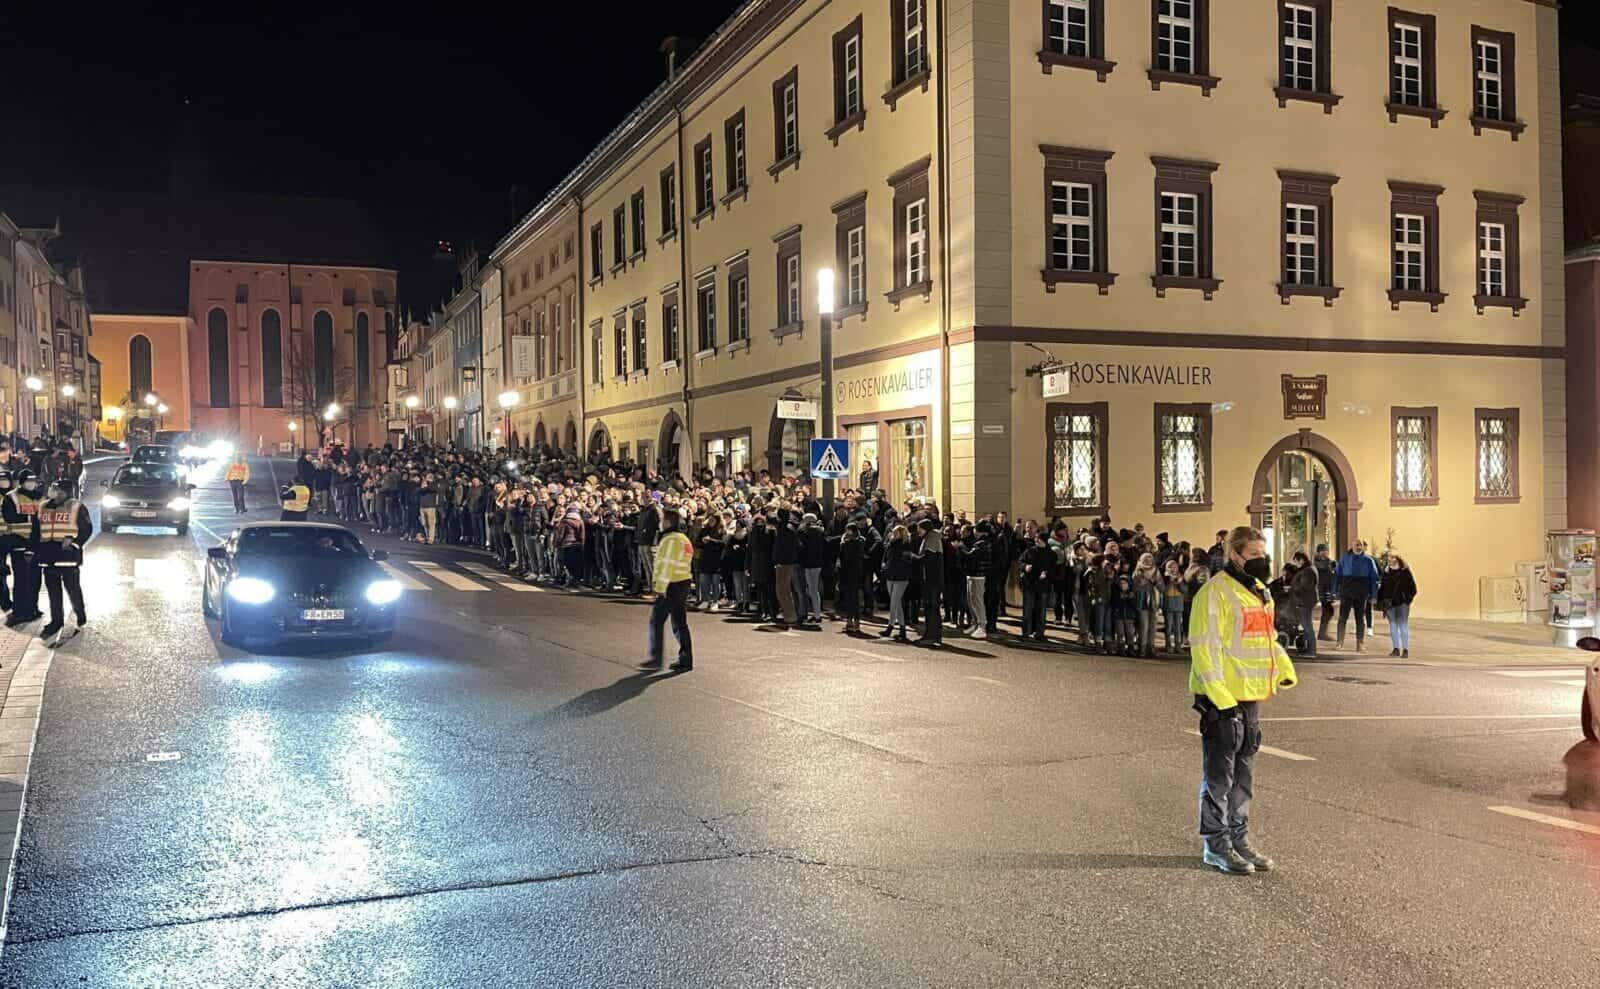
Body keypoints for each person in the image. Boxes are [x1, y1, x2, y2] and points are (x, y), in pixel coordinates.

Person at [1188, 525, 1299, 876]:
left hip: (1251, 696)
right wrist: (1221, 698)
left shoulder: (1259, 591)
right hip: (1222, 699)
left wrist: (1282, 666)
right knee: (1219, 776)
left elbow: (1265, 639)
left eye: (1263, 555)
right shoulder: (1214, 593)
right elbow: (1204, 648)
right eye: (1253, 555)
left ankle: (1240, 839)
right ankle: (1216, 845)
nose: (1261, 561)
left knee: (1244, 776)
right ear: (1234, 555)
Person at [33, 481, 90, 640]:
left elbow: (86, 529)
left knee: (72, 589)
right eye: (52, 488)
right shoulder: (43, 506)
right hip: (48, 556)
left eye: (56, 489)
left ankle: (80, 615)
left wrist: (74, 542)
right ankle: (56, 621)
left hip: (68, 556)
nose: (52, 491)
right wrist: (35, 551)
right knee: (53, 592)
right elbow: (36, 530)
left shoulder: (76, 507)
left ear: (64, 492)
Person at [642, 507, 693, 672]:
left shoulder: (670, 540)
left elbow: (666, 565)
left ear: (668, 521)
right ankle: (686, 659)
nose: (660, 523)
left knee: (657, 621)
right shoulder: (684, 539)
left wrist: (659, 588)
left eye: (662, 519)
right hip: (682, 582)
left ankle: (656, 659)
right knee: (680, 623)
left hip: (672, 585)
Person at [2, 469, 42, 625]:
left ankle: (33, 608)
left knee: (35, 579)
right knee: (22, 580)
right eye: (28, 481)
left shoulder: (40, 497)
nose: (31, 484)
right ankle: (20, 611)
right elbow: (10, 518)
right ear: (21, 482)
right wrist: (32, 517)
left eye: (33, 481)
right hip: (18, 543)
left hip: (36, 545)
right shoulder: (11, 497)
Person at [1335, 538, 1380, 652]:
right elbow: (1337, 575)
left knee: (1360, 619)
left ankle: (1360, 643)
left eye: (1360, 545)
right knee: (1342, 618)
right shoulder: (1345, 558)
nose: (1358, 547)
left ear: (1362, 547)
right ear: (1352, 546)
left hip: (1361, 594)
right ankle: (1339, 642)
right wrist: (1335, 591)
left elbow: (1374, 578)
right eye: (1356, 545)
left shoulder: (1368, 560)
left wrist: (1374, 595)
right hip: (1346, 592)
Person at [880, 524, 914, 642]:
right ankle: (902, 629)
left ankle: (890, 626)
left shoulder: (906, 545)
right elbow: (886, 557)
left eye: (896, 532)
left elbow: (906, 560)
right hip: (890, 574)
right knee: (897, 603)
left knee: (894, 602)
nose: (893, 534)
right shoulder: (890, 544)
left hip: (901, 576)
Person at [1379, 555, 1418, 657]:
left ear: (1398, 560)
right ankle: (1396, 648)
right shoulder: (1386, 572)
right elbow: (1382, 588)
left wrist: (1407, 599)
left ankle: (1405, 650)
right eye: (1390, 559)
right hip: (1390, 603)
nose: (1391, 560)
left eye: (1393, 558)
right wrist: (1382, 601)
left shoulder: (1405, 572)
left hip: (1402, 603)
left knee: (1403, 625)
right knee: (1393, 625)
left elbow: (1413, 589)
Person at [913, 517, 944, 646]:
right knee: (933, 607)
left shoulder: (930, 539)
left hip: (932, 580)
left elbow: (927, 559)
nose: (918, 531)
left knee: (930, 607)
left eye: (919, 528)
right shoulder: (933, 538)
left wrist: (914, 558)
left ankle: (931, 635)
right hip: (934, 579)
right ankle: (935, 635)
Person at [960, 521, 992, 640]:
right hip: (972, 574)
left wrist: (961, 548)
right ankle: (975, 623)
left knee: (977, 600)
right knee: (971, 600)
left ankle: (981, 626)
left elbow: (971, 556)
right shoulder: (979, 543)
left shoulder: (983, 543)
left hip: (978, 574)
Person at [1287, 552, 1320, 657]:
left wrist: (1291, 589)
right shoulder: (1308, 569)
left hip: (1305, 601)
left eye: (1296, 561)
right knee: (1306, 625)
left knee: (1307, 626)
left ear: (1301, 560)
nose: (1295, 563)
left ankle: (1312, 651)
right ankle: (1308, 649)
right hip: (1306, 600)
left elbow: (1304, 587)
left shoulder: (1308, 571)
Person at [835, 520, 865, 633]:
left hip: (847, 573)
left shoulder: (847, 544)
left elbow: (843, 558)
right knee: (854, 598)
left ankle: (849, 621)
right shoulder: (860, 542)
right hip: (856, 573)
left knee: (849, 598)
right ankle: (856, 622)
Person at [1313, 543, 1337, 642]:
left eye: (1327, 551)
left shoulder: (1330, 562)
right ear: (1319, 552)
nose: (1325, 553)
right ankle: (1322, 634)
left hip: (1327, 590)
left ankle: (1322, 633)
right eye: (1323, 551)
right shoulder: (1317, 563)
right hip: (1321, 590)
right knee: (1328, 611)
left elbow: (1333, 576)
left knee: (1328, 611)